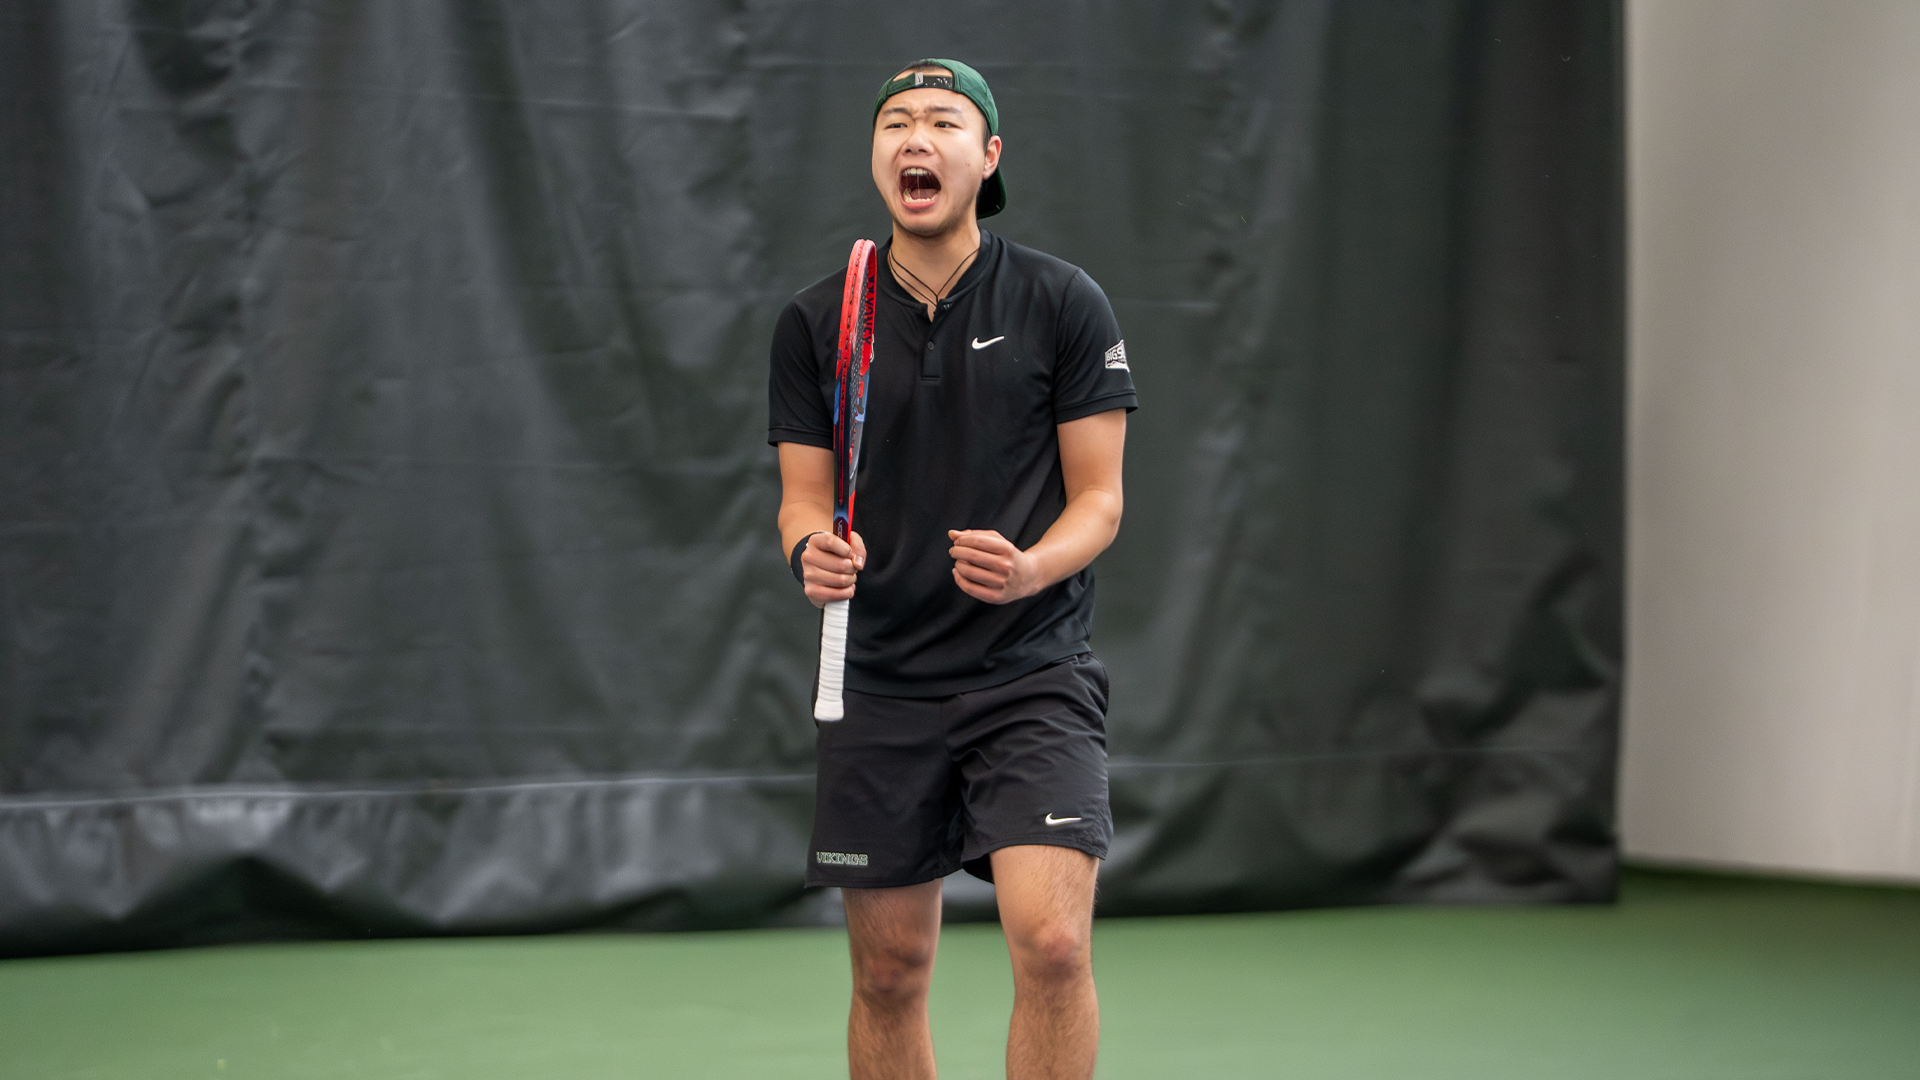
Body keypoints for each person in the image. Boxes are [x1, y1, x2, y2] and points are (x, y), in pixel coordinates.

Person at [767, 57, 1135, 1080]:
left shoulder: (1065, 303)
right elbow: (802, 499)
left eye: (941, 121)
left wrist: (1030, 570)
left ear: (989, 157)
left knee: (1054, 947)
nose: (914, 140)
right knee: (889, 972)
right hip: (879, 683)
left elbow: (1099, 499)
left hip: (1032, 675)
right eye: (894, 123)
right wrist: (811, 550)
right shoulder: (815, 322)